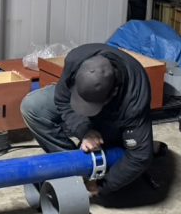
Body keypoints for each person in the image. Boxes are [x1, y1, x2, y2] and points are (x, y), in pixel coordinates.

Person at [20, 44, 155, 203]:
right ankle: (73, 165)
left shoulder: (135, 98)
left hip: (115, 116)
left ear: (113, 92)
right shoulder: (77, 59)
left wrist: (103, 186)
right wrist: (84, 130)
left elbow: (140, 157)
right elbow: (62, 99)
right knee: (32, 107)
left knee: (131, 148)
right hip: (86, 96)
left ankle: (110, 152)